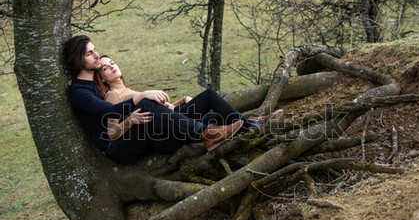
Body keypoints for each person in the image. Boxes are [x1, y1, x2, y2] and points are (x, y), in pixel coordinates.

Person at [63, 35, 245, 164]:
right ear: (77, 60)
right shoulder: (79, 92)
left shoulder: (94, 86)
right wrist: (141, 97)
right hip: (117, 149)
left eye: (95, 50)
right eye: (89, 53)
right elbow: (109, 112)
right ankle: (206, 134)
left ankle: (247, 125)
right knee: (145, 105)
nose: (96, 55)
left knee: (206, 98)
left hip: (140, 135)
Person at [93, 55, 283, 142]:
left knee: (212, 113)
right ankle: (251, 125)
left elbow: (155, 110)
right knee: (208, 98)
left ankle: (251, 124)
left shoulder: (127, 89)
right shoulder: (112, 95)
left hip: (169, 121)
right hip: (157, 134)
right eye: (105, 68)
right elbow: (112, 133)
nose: (111, 66)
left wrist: (176, 103)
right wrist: (130, 120)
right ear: (101, 78)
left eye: (112, 62)